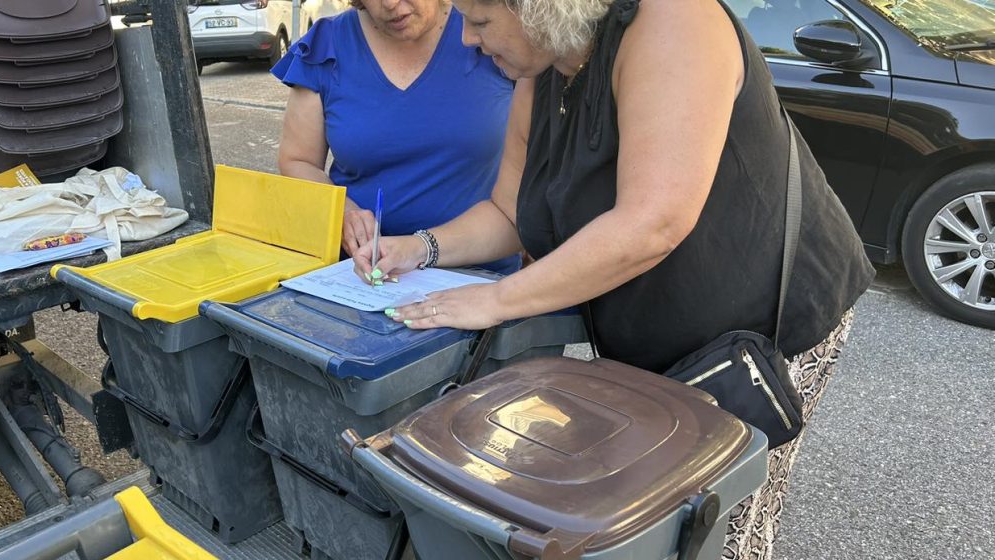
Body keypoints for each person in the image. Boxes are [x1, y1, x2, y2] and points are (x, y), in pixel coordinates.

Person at [355, 0, 875, 558]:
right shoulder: (545, 70)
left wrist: (498, 299)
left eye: (479, 21)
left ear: (539, 8)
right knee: (641, 517)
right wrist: (422, 248)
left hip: (759, 329)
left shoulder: (674, 21)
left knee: (714, 525)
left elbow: (652, 223)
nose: (465, 40)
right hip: (652, 339)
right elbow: (510, 213)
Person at [273, 0, 520, 274]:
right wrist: (341, 211)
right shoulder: (326, 45)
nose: (389, 3)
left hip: (479, 270)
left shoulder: (487, 30)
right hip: (362, 271)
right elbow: (297, 160)